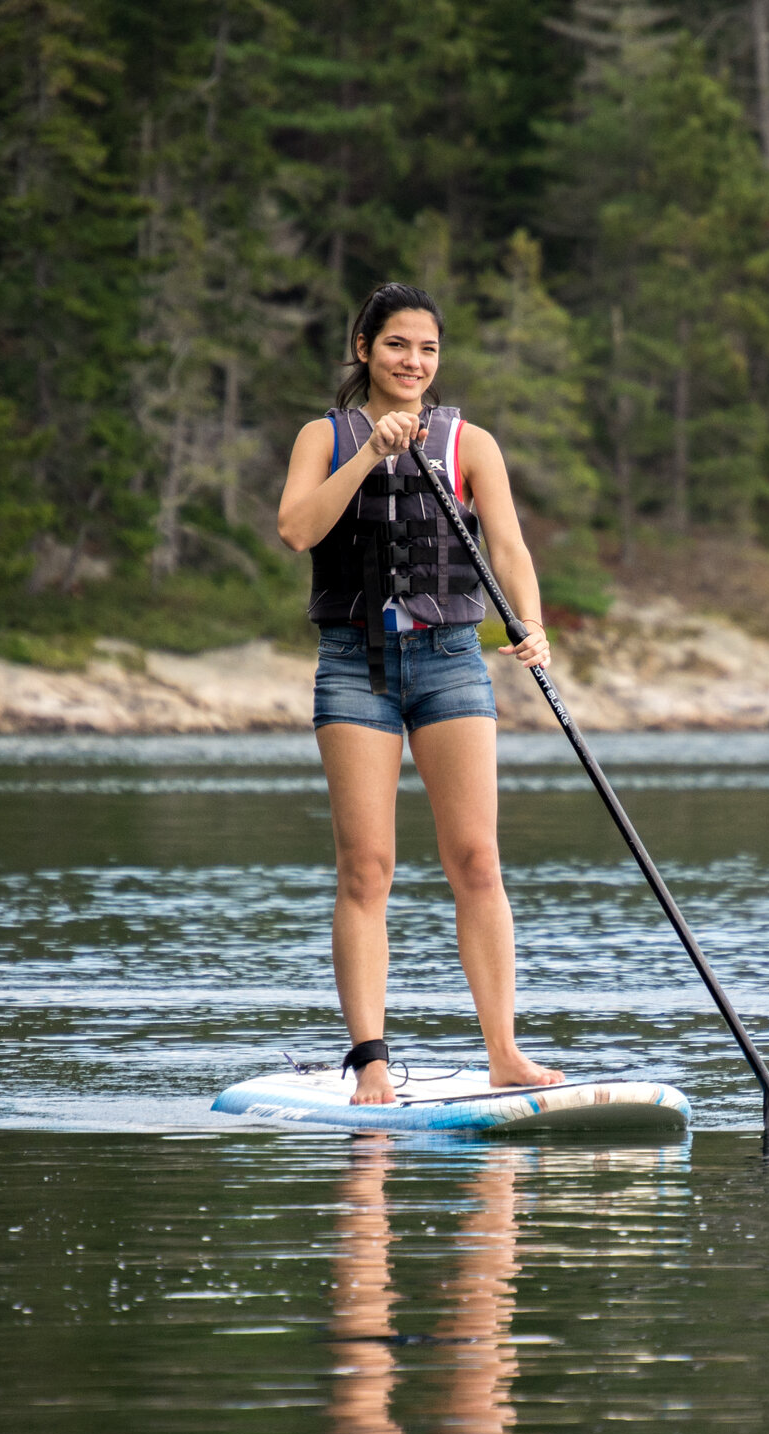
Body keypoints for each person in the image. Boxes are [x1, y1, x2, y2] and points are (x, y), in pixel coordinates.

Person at [277, 282, 564, 1105]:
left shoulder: (470, 443)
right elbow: (298, 529)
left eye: (428, 349)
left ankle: (504, 1051)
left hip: (449, 661)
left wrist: (532, 624)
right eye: (398, 345)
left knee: (477, 860)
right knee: (367, 868)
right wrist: (370, 451)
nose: (414, 362)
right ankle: (369, 1060)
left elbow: (506, 547)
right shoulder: (322, 437)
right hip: (355, 663)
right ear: (364, 347)